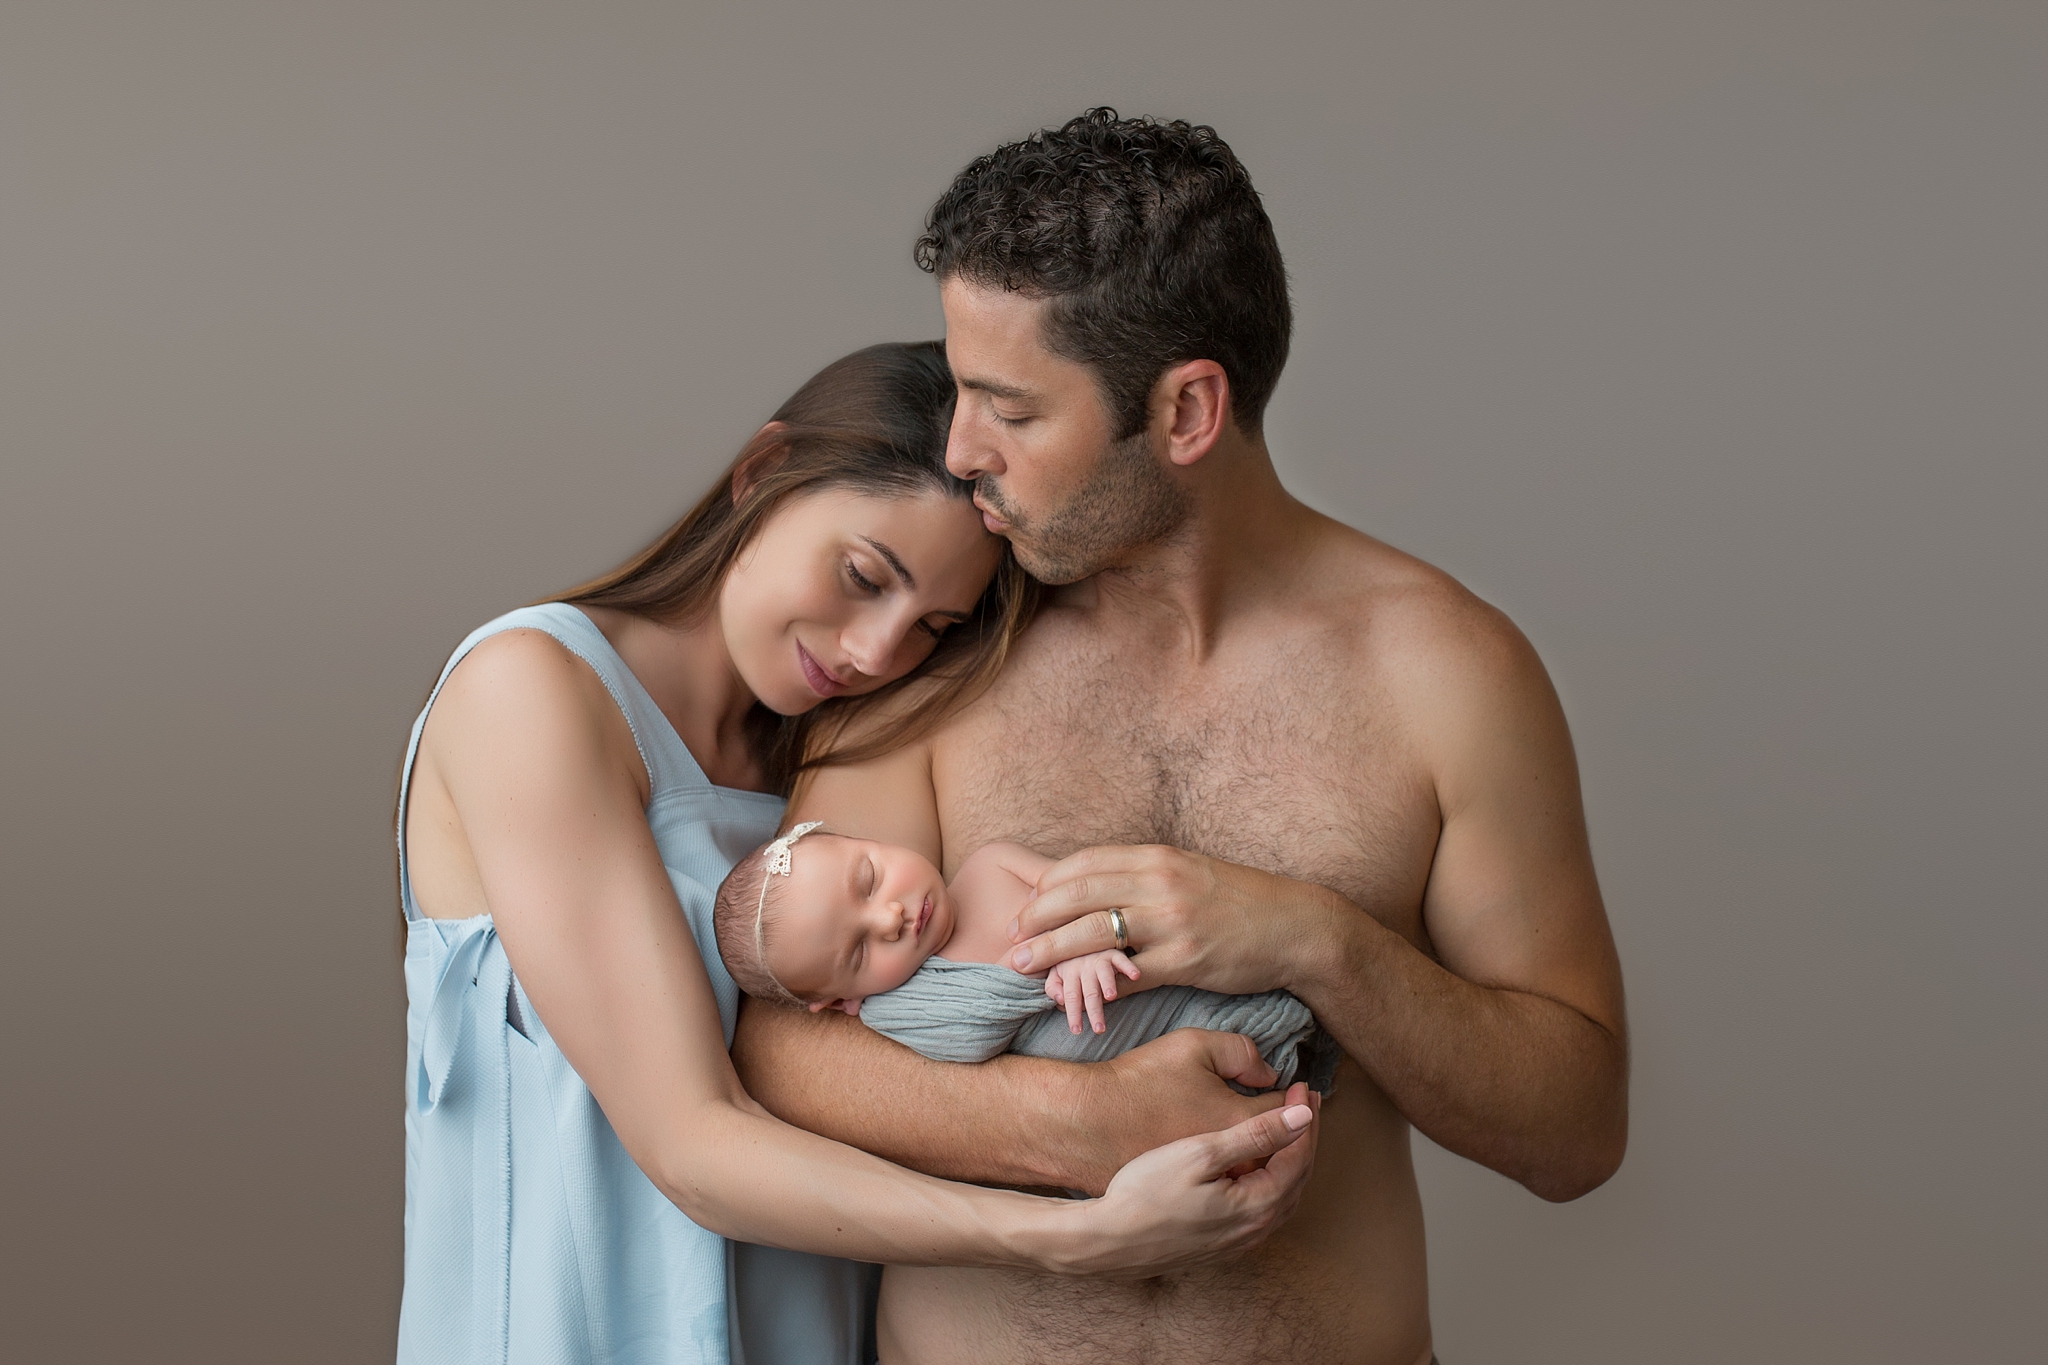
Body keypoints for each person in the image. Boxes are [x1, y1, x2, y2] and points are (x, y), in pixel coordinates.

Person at [733, 112, 1630, 1365]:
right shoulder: (945, 643)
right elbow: (776, 1040)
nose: (956, 453)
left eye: (1009, 410)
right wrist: (1067, 1121)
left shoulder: (1446, 675)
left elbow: (1575, 1131)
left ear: (1186, 410)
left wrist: (1314, 941)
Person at [394, 340, 1319, 1365]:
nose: (875, 651)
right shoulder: (530, 692)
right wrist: (1072, 1234)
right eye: (860, 575)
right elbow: (691, 1141)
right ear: (760, 477)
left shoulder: (827, 750)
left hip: (812, 1322)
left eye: (929, 624)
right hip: (586, 1329)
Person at [712, 823, 1332, 1088]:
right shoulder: (903, 1010)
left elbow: (1096, 894)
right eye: (858, 950)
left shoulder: (991, 865)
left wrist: (1081, 943)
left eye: (870, 879)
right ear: (845, 1000)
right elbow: (971, 1050)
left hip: (1175, 992)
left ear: (873, 840)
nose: (891, 917)